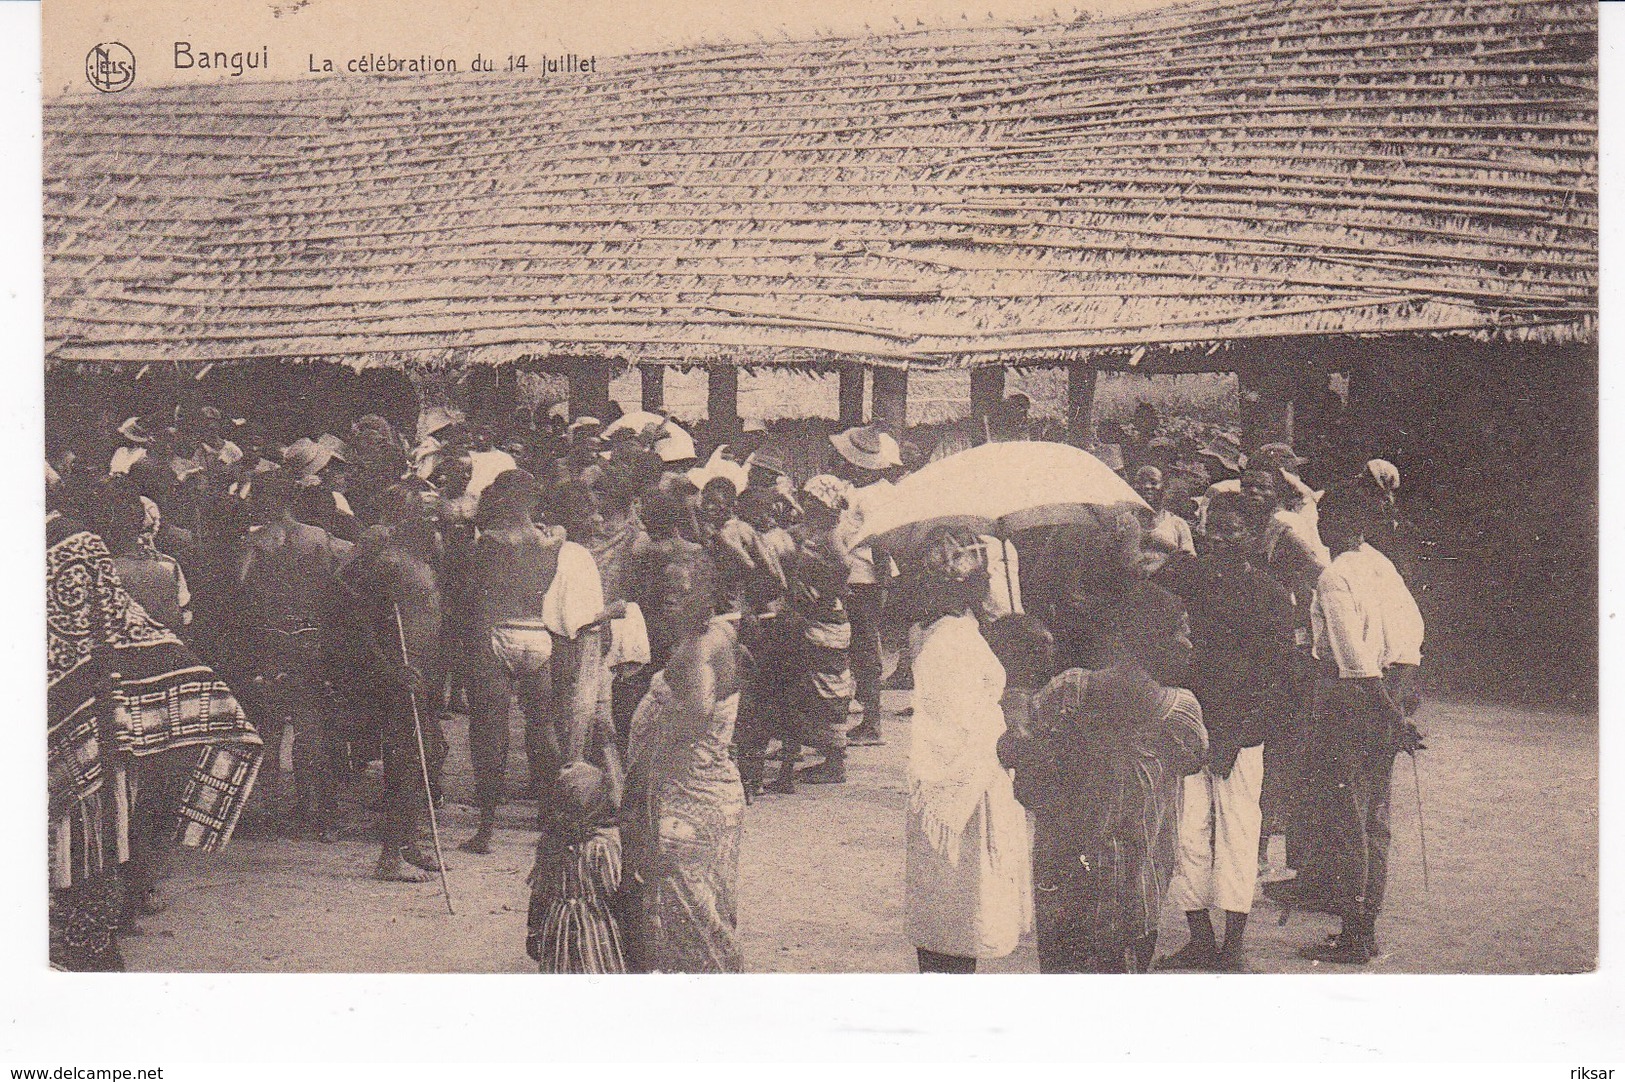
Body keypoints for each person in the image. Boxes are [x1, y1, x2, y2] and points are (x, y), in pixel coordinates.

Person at [47, 500, 262, 969]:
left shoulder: (83, 554)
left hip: (79, 713)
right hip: (107, 712)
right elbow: (168, 626)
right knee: (109, 830)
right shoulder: (147, 567)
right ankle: (115, 919)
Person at [997, 581, 1207, 973]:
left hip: (1063, 872)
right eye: (1181, 630)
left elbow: (1015, 753)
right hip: (1135, 883)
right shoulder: (1179, 712)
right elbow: (1195, 757)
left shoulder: (1068, 688)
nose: (1189, 643)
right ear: (1152, 638)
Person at [1160, 492, 1295, 971]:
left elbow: (1276, 675)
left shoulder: (1273, 597)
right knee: (1185, 832)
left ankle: (1232, 947)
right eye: (1212, 528)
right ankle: (1200, 937)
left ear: (1255, 536)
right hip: (1187, 729)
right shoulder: (1186, 583)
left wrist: (1235, 736)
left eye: (1232, 530)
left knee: (1239, 832)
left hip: (1241, 732)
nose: (1219, 539)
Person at [1296, 486, 1426, 965]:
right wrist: (1400, 706)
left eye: (1327, 515)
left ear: (1344, 523)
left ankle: (1355, 936)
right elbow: (1412, 637)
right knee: (1373, 819)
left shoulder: (1334, 576)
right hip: (1385, 692)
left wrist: (1394, 719)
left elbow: (1354, 662)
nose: (1320, 523)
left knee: (1349, 819)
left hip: (1352, 701)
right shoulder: (1380, 563)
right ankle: (1362, 929)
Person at [900, 527, 1031, 973]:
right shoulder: (951, 637)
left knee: (955, 899)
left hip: (970, 777)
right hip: (961, 782)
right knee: (957, 896)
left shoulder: (958, 629)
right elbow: (956, 722)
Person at [462, 469, 606, 854]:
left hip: (496, 632)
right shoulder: (549, 542)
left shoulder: (490, 543)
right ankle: (556, 814)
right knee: (543, 728)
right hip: (536, 635)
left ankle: (487, 828)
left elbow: (470, 596)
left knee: (490, 732)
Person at [620, 565, 745, 973]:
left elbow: (699, 711)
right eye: (664, 590)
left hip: (687, 799)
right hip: (709, 791)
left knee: (690, 921)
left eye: (682, 591)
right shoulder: (717, 636)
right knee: (706, 913)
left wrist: (647, 765)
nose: (670, 598)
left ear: (705, 598)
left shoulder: (696, 652)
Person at [334, 489, 449, 882]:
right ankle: (389, 856)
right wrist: (389, 667)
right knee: (407, 758)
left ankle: (408, 842)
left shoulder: (419, 563)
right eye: (432, 525)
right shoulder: (390, 563)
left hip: (422, 673)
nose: (438, 534)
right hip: (401, 674)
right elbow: (356, 613)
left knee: (427, 754)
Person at [235, 468, 352, 839]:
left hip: (270, 638)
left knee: (268, 725)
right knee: (311, 726)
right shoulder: (318, 537)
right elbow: (340, 580)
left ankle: (268, 807)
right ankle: (314, 809)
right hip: (311, 635)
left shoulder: (257, 542)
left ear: (270, 500)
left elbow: (240, 588)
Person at [829, 425, 901, 746]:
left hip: (864, 578)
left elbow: (882, 542)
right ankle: (859, 708)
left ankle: (872, 721)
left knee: (863, 646)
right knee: (856, 645)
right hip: (854, 575)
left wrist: (883, 581)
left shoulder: (876, 495)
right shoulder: (857, 490)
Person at [781, 476, 855, 786]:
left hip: (824, 618)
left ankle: (834, 759)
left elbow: (842, 571)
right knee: (815, 686)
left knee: (825, 687)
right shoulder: (817, 533)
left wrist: (820, 589)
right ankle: (821, 751)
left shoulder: (829, 537)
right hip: (822, 616)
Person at [1132, 465, 1196, 581]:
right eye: (1141, 482)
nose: (1146, 486)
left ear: (1164, 487)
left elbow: (1189, 560)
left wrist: (1165, 557)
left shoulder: (1177, 524)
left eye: (1153, 482)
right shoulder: (1126, 521)